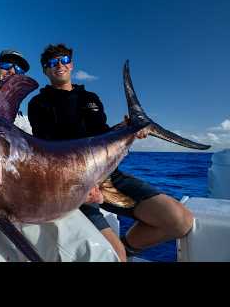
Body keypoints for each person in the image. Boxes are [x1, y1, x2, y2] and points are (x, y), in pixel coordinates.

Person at [0, 49, 120, 262]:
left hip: (30, 207)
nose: (12, 70)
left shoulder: (23, 122)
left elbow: (44, 165)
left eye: (19, 68)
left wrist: (81, 187)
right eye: (6, 65)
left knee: (99, 254)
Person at [28, 43, 194, 262]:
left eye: (64, 60)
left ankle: (127, 247)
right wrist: (82, 188)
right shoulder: (38, 103)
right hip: (73, 183)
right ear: (45, 70)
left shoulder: (91, 99)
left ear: (71, 65)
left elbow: (103, 136)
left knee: (180, 221)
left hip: (109, 175)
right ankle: (121, 252)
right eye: (52, 63)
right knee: (116, 257)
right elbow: (47, 149)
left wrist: (127, 129)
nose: (59, 65)